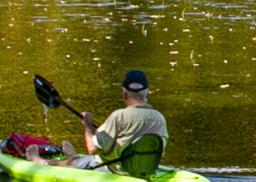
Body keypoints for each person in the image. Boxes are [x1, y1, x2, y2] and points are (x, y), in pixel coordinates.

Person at [31, 70, 168, 172]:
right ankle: (72, 155)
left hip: (112, 169)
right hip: (144, 168)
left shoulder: (119, 117)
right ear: (147, 92)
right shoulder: (160, 118)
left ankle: (38, 161)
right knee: (81, 159)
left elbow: (92, 148)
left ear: (124, 93)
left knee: (75, 163)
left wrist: (88, 125)